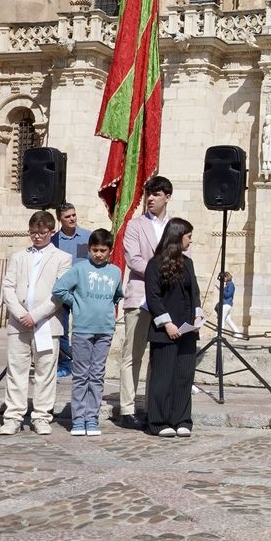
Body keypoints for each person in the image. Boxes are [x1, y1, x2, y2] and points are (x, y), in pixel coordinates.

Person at [0, 211, 72, 436]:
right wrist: (20, 313)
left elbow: (59, 292)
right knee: (17, 370)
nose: (37, 237)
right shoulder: (19, 257)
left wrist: (36, 315)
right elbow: (8, 287)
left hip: (46, 323)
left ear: (51, 231)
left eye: (41, 233)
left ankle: (41, 415)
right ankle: (13, 416)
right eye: (33, 233)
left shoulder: (62, 258)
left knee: (45, 371)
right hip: (19, 322)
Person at [52, 228, 124, 437]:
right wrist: (76, 303)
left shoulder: (115, 272)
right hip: (83, 330)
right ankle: (78, 419)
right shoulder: (80, 269)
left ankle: (92, 418)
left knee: (97, 374)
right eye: (95, 250)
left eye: (103, 250)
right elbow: (59, 289)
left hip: (105, 330)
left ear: (109, 251)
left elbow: (118, 294)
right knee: (81, 374)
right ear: (89, 250)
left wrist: (106, 309)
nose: (98, 254)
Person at [117, 175, 172, 428]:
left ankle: (153, 407)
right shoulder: (135, 225)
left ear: (167, 197)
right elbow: (133, 259)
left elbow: (185, 257)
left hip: (167, 298)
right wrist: (161, 273)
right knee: (133, 354)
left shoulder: (175, 226)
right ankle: (127, 408)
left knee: (159, 356)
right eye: (148, 194)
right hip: (140, 297)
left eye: (156, 194)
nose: (150, 198)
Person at [144, 217, 204, 437]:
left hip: (187, 329)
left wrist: (197, 316)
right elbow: (153, 297)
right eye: (188, 236)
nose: (190, 240)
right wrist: (167, 323)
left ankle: (182, 419)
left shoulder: (188, 263)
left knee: (184, 375)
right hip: (165, 331)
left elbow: (194, 292)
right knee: (164, 376)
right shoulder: (155, 264)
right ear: (178, 237)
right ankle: (159, 421)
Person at [50, 203, 89, 378]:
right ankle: (65, 364)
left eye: (73, 215)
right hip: (63, 292)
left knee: (83, 330)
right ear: (60, 219)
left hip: (82, 292)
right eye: (67, 216)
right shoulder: (53, 241)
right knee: (62, 329)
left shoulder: (88, 237)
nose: (72, 218)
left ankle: (82, 363)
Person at [219, 270, 239, 337]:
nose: (223, 279)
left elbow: (228, 294)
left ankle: (220, 334)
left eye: (224, 277)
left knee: (221, 319)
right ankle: (237, 333)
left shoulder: (230, 284)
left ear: (227, 277)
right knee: (228, 320)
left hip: (226, 304)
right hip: (225, 303)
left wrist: (221, 290)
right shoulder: (228, 284)